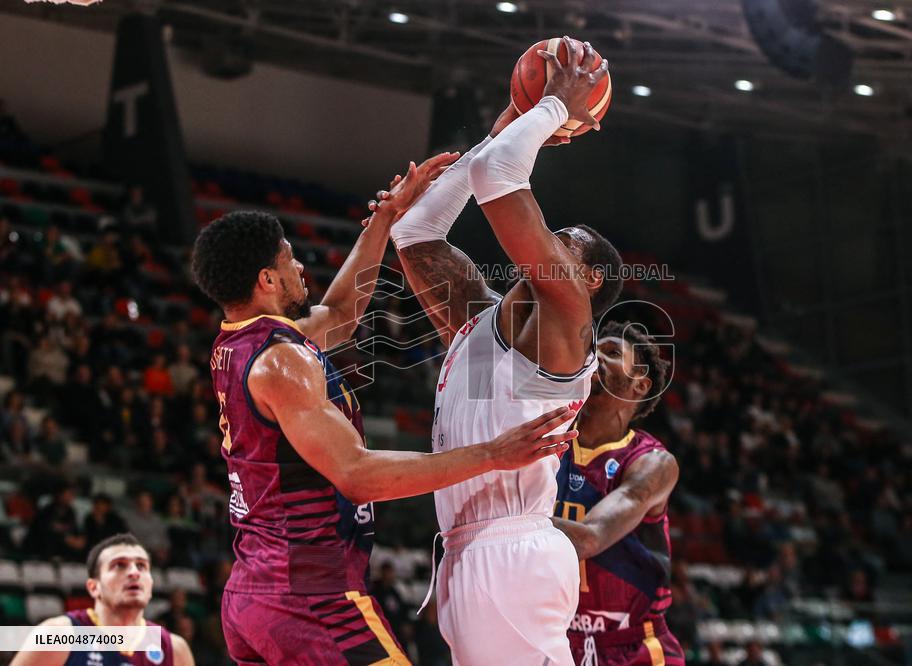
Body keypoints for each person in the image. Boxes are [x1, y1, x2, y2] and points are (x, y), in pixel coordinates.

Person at [190, 154, 580, 666]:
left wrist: (384, 219)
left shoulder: (241, 344)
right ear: (266, 279)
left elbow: (342, 313)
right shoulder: (281, 361)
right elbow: (357, 475)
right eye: (289, 260)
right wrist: (492, 454)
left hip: (256, 588)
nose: (300, 267)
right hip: (309, 594)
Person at [388, 37, 619, 664]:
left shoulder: (567, 315)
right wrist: (510, 123)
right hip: (468, 548)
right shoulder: (479, 318)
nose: (546, 237)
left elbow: (499, 174)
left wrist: (549, 108)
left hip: (514, 550)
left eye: (565, 240)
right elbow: (414, 232)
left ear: (589, 278)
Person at [552, 320, 684, 665]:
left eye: (610, 352)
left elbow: (590, 538)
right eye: (591, 351)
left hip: (633, 647)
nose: (594, 358)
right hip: (553, 640)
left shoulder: (652, 463)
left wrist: (502, 521)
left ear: (640, 385)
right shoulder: (546, 441)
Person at [11, 533, 194, 666]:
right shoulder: (60, 635)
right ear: (94, 587)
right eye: (119, 565)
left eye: (141, 566)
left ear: (151, 584)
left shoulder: (174, 649)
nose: (134, 573)